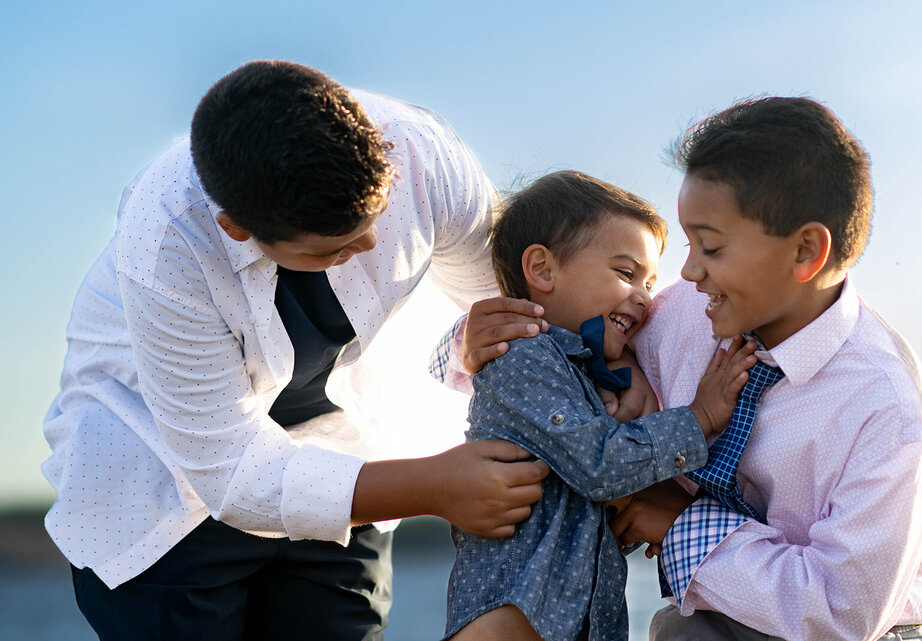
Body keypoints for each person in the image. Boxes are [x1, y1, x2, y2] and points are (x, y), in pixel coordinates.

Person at [42, 60, 551, 641]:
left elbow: (521, 295)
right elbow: (233, 475)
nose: (370, 246)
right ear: (237, 228)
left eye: (377, 217)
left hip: (352, 459)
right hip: (165, 487)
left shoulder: (423, 154)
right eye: (333, 248)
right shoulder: (164, 244)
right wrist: (437, 486)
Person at [448, 97, 922, 641]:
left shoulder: (885, 405)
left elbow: (841, 613)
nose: (687, 271)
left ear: (806, 251)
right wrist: (475, 339)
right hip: (711, 614)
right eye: (689, 245)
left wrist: (681, 523)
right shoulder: (684, 313)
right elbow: (567, 332)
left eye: (710, 248)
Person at [442, 170, 759, 641]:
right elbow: (599, 465)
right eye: (626, 273)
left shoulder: (588, 376)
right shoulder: (520, 357)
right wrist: (700, 417)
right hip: (507, 620)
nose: (645, 298)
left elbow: (582, 511)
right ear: (543, 271)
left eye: (650, 283)